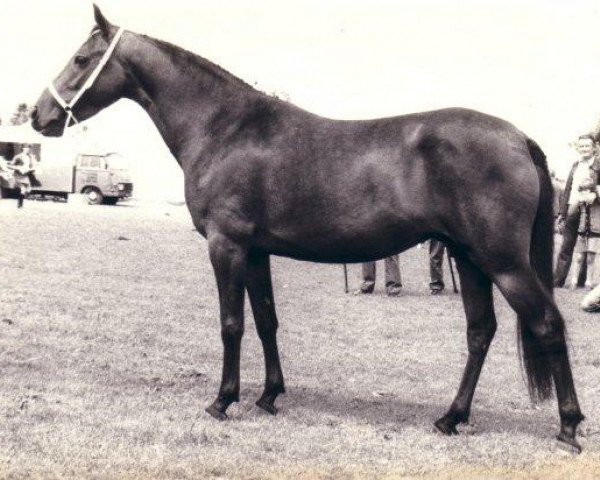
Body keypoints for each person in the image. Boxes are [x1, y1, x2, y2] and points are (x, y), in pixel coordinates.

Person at [554, 134, 599, 287]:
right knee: (566, 245)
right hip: (572, 208)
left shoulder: (599, 165)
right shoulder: (575, 165)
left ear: (594, 148)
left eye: (587, 146)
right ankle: (557, 281)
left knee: (586, 248)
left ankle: (581, 281)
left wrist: (595, 194)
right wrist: (561, 212)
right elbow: (567, 189)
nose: (584, 149)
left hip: (591, 211)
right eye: (581, 146)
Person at [569, 175, 600, 290]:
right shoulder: (581, 200)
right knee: (579, 257)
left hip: (595, 232)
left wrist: (595, 192)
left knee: (590, 258)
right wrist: (578, 199)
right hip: (582, 231)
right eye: (582, 190)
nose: (584, 192)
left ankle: (589, 282)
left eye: (586, 190)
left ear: (591, 190)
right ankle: (574, 281)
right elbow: (571, 213)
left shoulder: (596, 198)